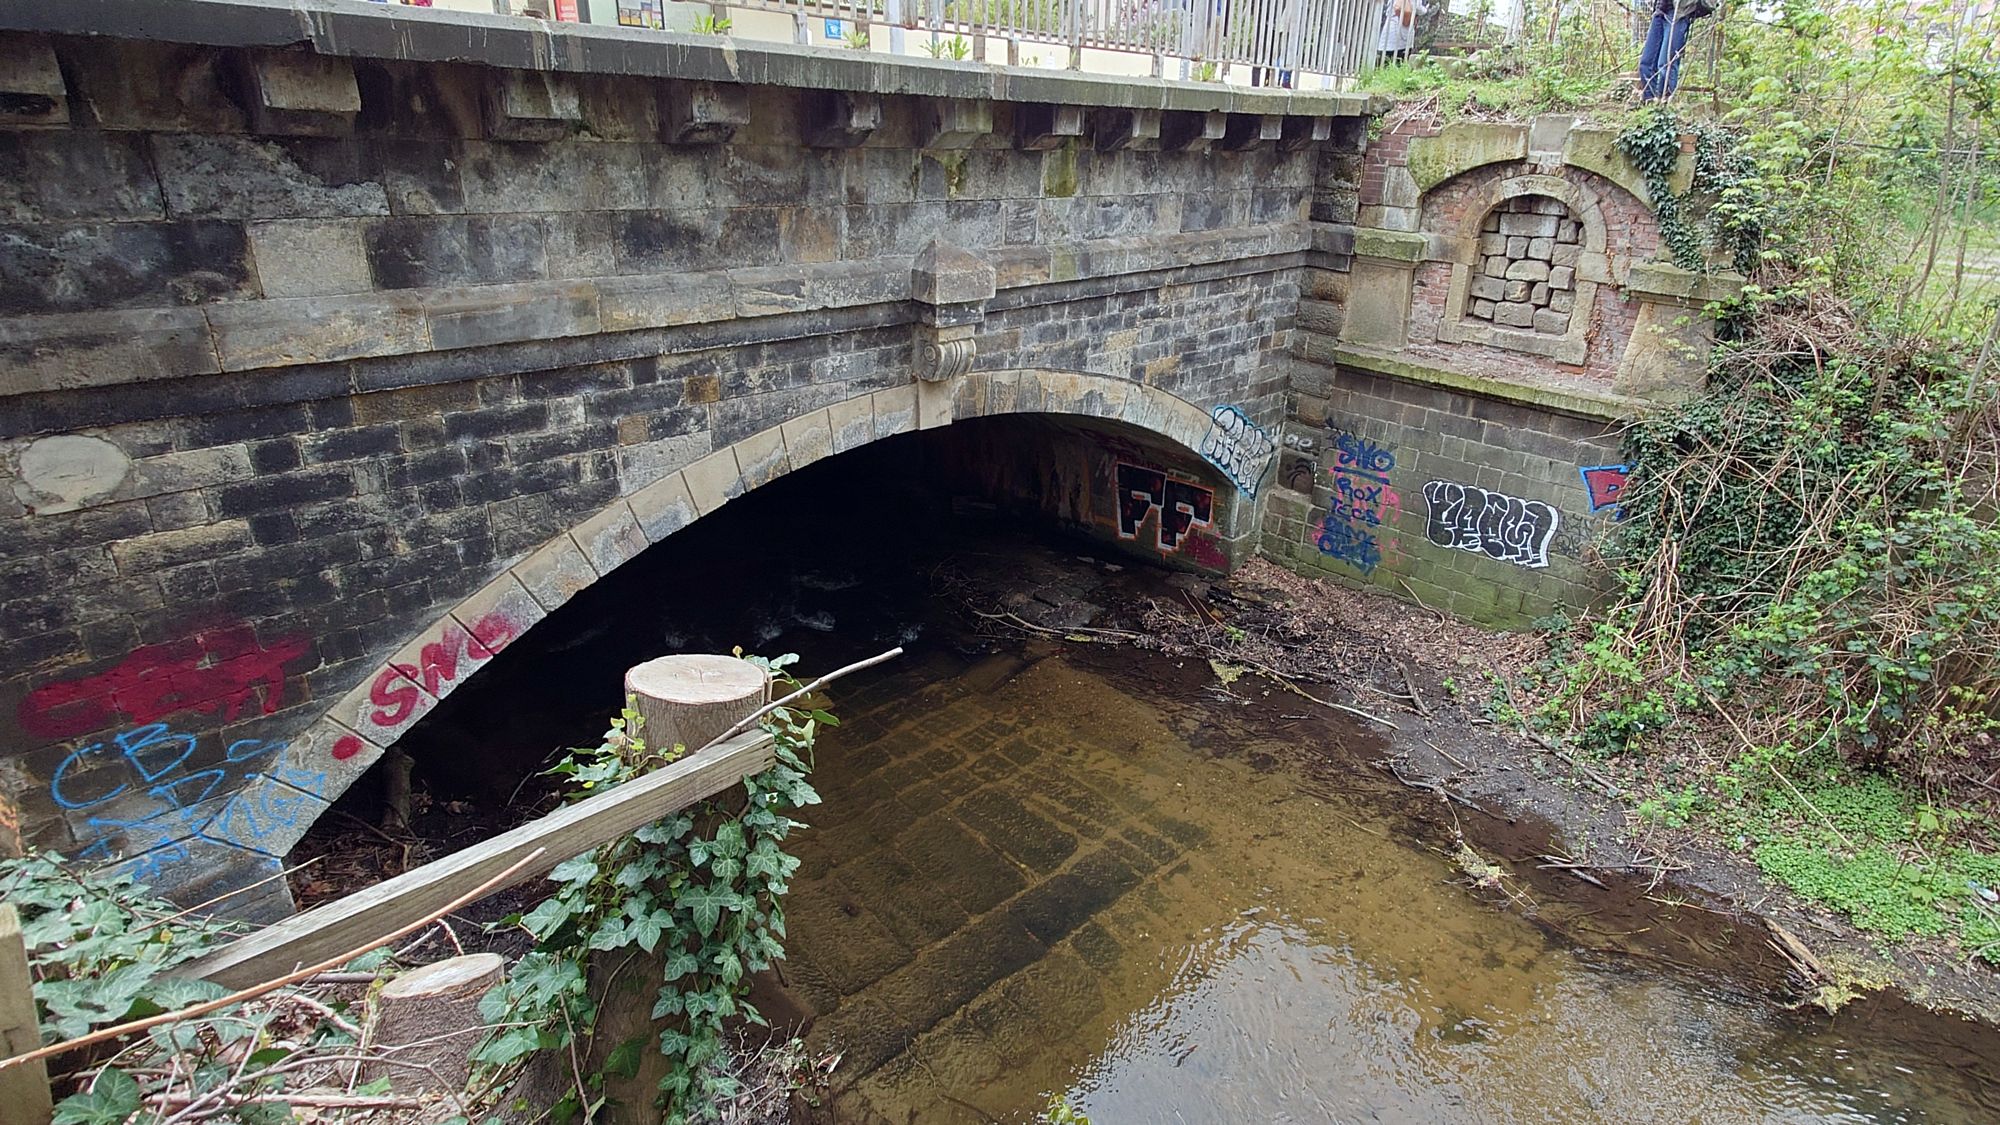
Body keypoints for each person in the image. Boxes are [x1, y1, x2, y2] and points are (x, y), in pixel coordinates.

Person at [1638, 0, 1715, 102]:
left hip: (1679, 14)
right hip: (1660, 10)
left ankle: (1664, 104)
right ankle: (1649, 101)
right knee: (1646, 63)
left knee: (1666, 63)